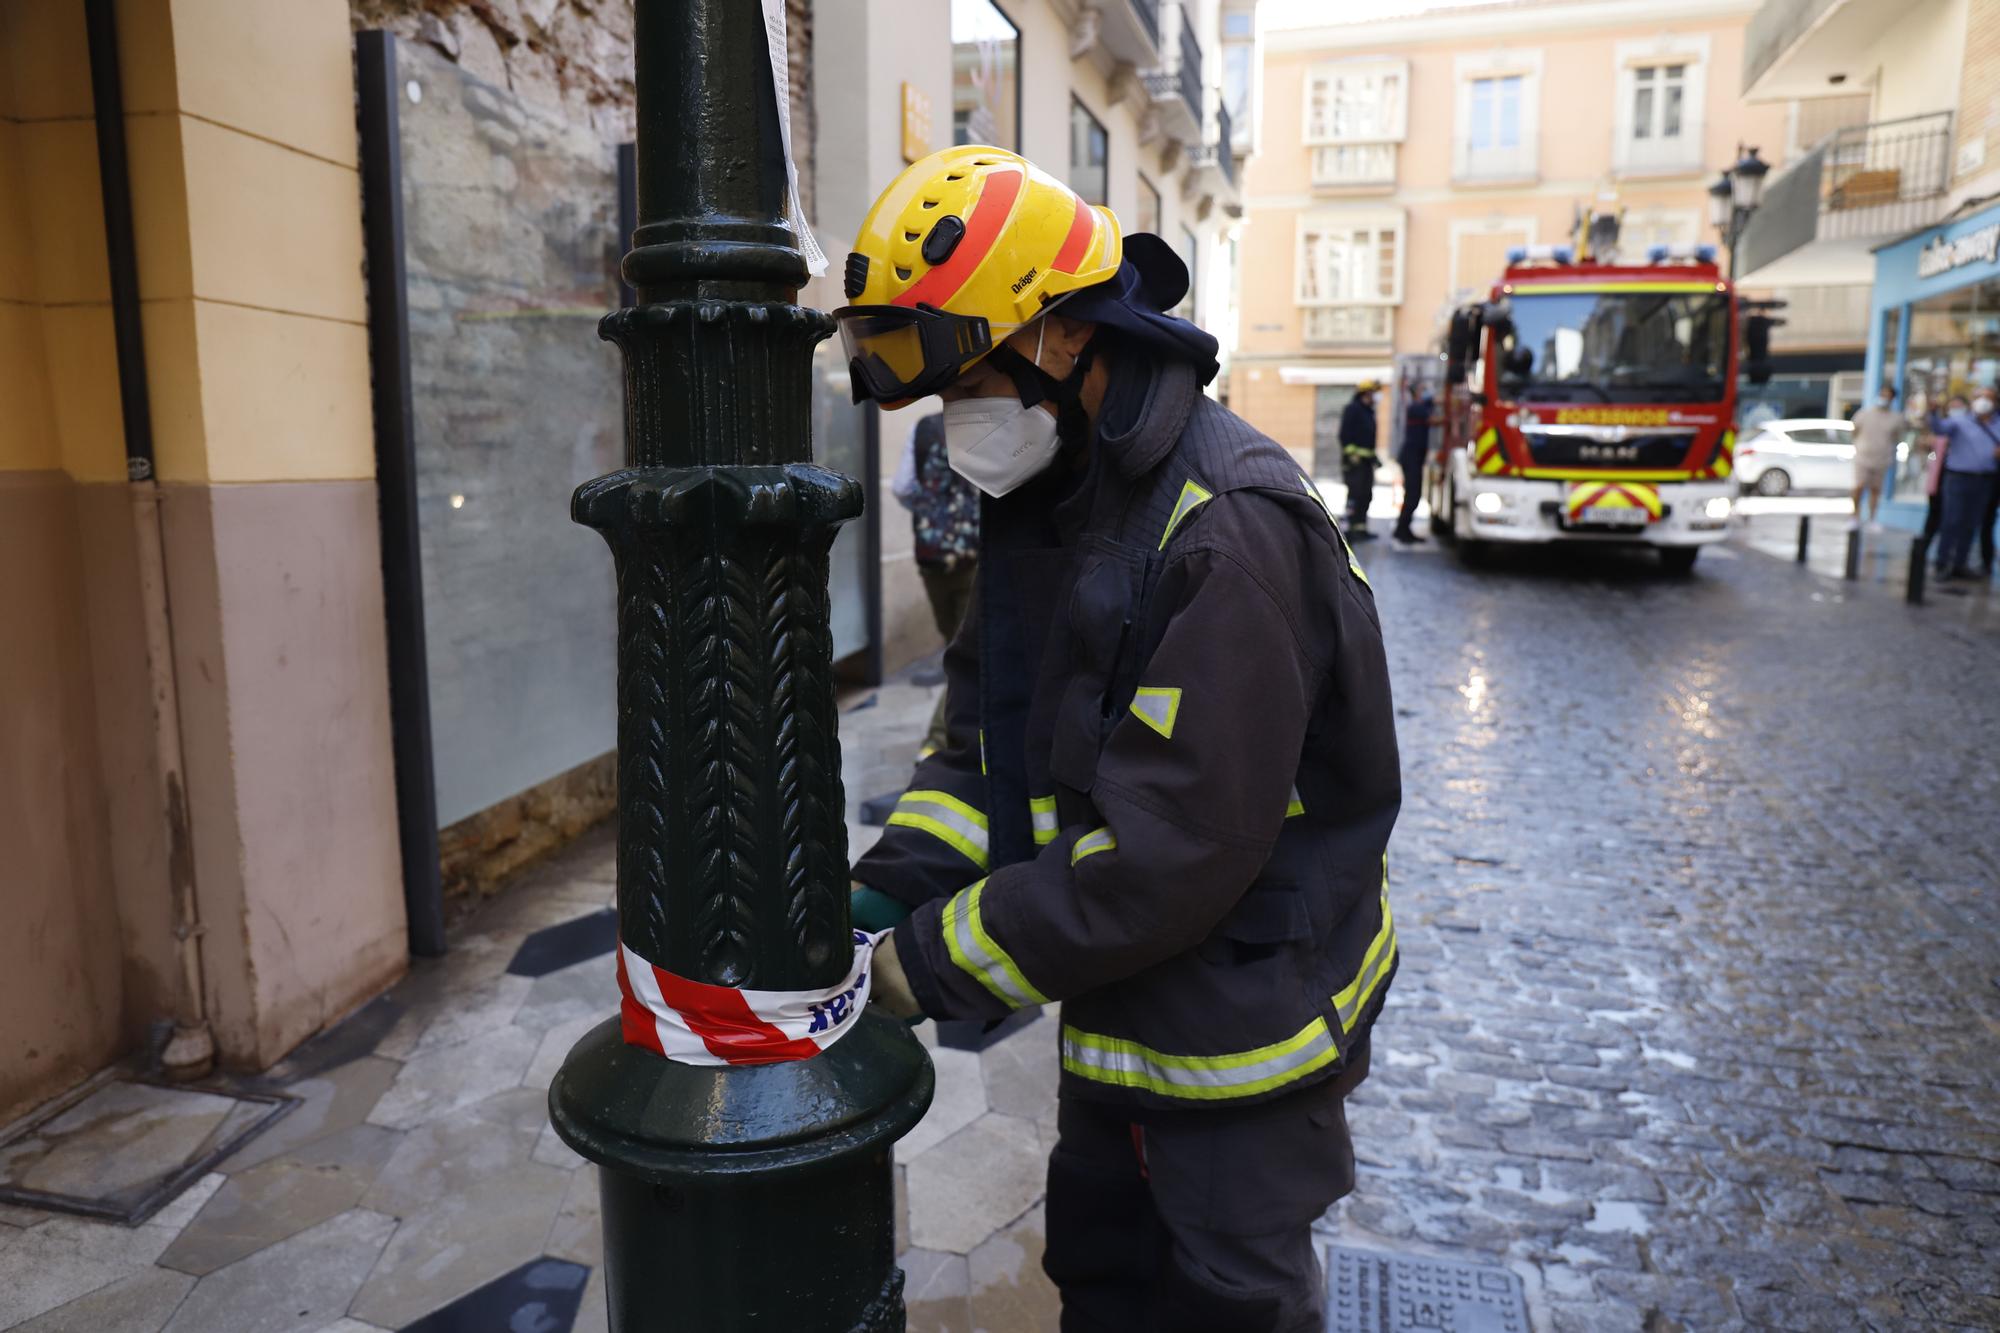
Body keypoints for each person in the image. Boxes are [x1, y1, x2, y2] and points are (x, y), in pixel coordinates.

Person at [836, 146, 1400, 1332]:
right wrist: (883, 897)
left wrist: (919, 967)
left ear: (1061, 338)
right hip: (1124, 1008)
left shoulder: (1225, 532)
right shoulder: (1056, 496)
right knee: (1099, 1274)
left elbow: (1168, 851)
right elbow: (986, 745)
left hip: (1245, 1028)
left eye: (969, 380)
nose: (960, 420)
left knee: (1221, 1304)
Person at [891, 410, 980, 756]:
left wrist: (931, 510)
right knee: (965, 653)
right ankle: (940, 739)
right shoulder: (977, 421)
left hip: (930, 556)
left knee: (955, 646)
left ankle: (957, 726)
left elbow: (902, 487)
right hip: (971, 555)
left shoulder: (922, 429)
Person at [1930, 389, 2000, 580]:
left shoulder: (1997, 425)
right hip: (1958, 478)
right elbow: (1938, 429)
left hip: (1985, 480)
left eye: (1988, 397)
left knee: (1972, 524)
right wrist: (1933, 412)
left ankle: (1960, 564)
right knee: (1951, 521)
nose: (1983, 401)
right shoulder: (1960, 421)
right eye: (1979, 397)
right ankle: (1942, 563)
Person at [1849, 383, 1902, 531]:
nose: (1884, 398)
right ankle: (1854, 517)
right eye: (1882, 394)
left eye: (1888, 395)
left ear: (1892, 399)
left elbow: (1896, 437)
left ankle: (1872, 519)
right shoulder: (1864, 414)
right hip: (1863, 458)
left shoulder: (1896, 418)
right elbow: (1854, 431)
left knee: (1875, 490)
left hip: (1882, 459)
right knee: (1858, 487)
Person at [1392, 385, 1435, 544]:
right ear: (1416, 393)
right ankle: (1401, 530)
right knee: (1412, 496)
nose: (1426, 393)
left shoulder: (1420, 406)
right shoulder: (1416, 407)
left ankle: (1403, 529)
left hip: (1414, 457)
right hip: (1411, 458)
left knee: (1413, 496)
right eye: (1422, 390)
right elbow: (1432, 420)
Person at [1339, 380, 1382, 540]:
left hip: (1366, 462)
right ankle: (1348, 529)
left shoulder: (1368, 411)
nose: (1377, 396)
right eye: (1375, 392)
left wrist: (1374, 457)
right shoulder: (1353, 409)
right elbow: (1344, 434)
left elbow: (1368, 440)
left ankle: (1360, 529)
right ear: (1366, 393)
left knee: (1366, 495)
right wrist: (1351, 454)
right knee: (1355, 495)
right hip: (1354, 463)